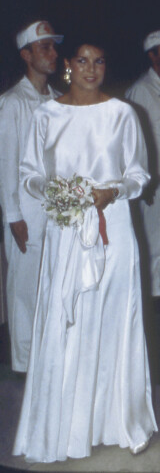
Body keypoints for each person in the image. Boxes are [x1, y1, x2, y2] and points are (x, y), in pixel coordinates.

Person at [13, 35, 156, 462]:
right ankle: (64, 424)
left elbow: (140, 174)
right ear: (68, 66)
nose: (92, 68)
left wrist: (111, 192)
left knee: (114, 317)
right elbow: (29, 173)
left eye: (100, 60)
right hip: (65, 229)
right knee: (68, 319)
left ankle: (117, 419)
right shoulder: (46, 115)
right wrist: (60, 191)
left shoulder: (122, 114)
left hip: (112, 229)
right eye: (82, 60)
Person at [0, 19, 62, 374]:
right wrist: (12, 216)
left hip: (55, 214)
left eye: (54, 47)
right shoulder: (12, 104)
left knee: (50, 286)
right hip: (26, 214)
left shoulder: (56, 101)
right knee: (24, 292)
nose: (54, 54)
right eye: (45, 48)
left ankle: (46, 360)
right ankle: (23, 367)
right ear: (27, 55)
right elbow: (6, 163)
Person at [124, 29, 160, 297]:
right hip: (154, 175)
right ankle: (150, 287)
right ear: (152, 55)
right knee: (152, 232)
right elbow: (134, 139)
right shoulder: (140, 90)